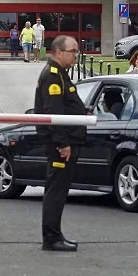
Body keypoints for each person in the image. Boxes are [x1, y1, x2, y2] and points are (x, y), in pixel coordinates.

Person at [34, 35, 88, 252]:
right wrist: (62, 143)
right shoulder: (53, 76)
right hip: (60, 146)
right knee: (56, 192)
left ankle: (55, 234)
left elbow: (65, 107)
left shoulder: (61, 74)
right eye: (72, 51)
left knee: (59, 191)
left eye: (76, 51)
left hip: (66, 141)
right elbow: (53, 113)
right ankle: (51, 237)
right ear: (58, 52)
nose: (76, 55)